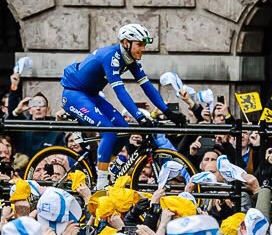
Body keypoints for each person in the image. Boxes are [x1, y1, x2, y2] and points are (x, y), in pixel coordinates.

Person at [60, 23, 186, 189]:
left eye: (144, 45)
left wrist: (168, 112)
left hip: (91, 94)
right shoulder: (110, 57)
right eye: (140, 45)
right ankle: (101, 182)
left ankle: (111, 164)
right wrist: (140, 116)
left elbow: (147, 87)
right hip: (74, 94)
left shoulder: (130, 60)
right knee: (109, 131)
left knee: (123, 128)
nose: (143, 49)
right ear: (126, 43)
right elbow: (120, 91)